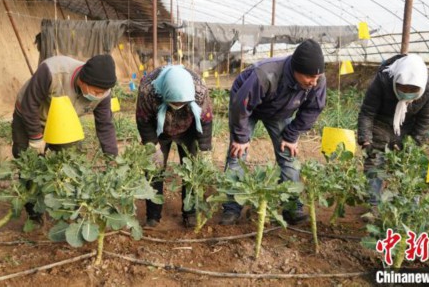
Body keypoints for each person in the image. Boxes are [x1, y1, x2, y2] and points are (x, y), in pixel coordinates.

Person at [220, 39, 327, 226]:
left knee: (289, 155)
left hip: (278, 111)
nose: (314, 82)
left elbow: (313, 109)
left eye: (317, 77)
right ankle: (232, 208)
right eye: (310, 77)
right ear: (296, 69)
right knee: (237, 155)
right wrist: (241, 137)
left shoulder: (317, 80)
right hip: (247, 107)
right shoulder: (265, 74)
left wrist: (292, 135)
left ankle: (292, 208)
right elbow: (241, 106)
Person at [136, 65, 213, 228]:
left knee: (191, 171)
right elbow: (143, 119)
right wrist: (152, 145)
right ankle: (153, 216)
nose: (178, 105)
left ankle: (190, 213)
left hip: (189, 130)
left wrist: (205, 149)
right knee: (154, 171)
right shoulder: (148, 90)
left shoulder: (199, 89)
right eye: (173, 102)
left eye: (182, 103)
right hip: (159, 130)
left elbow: (205, 120)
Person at [358, 54, 429, 209]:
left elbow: (425, 120)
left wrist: (412, 142)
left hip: (407, 127)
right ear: (395, 82)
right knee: (375, 160)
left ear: (421, 86)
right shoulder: (383, 79)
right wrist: (366, 138)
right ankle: (373, 205)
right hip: (381, 122)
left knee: (409, 164)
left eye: (412, 89)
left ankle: (407, 206)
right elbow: (367, 112)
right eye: (403, 87)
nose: (407, 92)